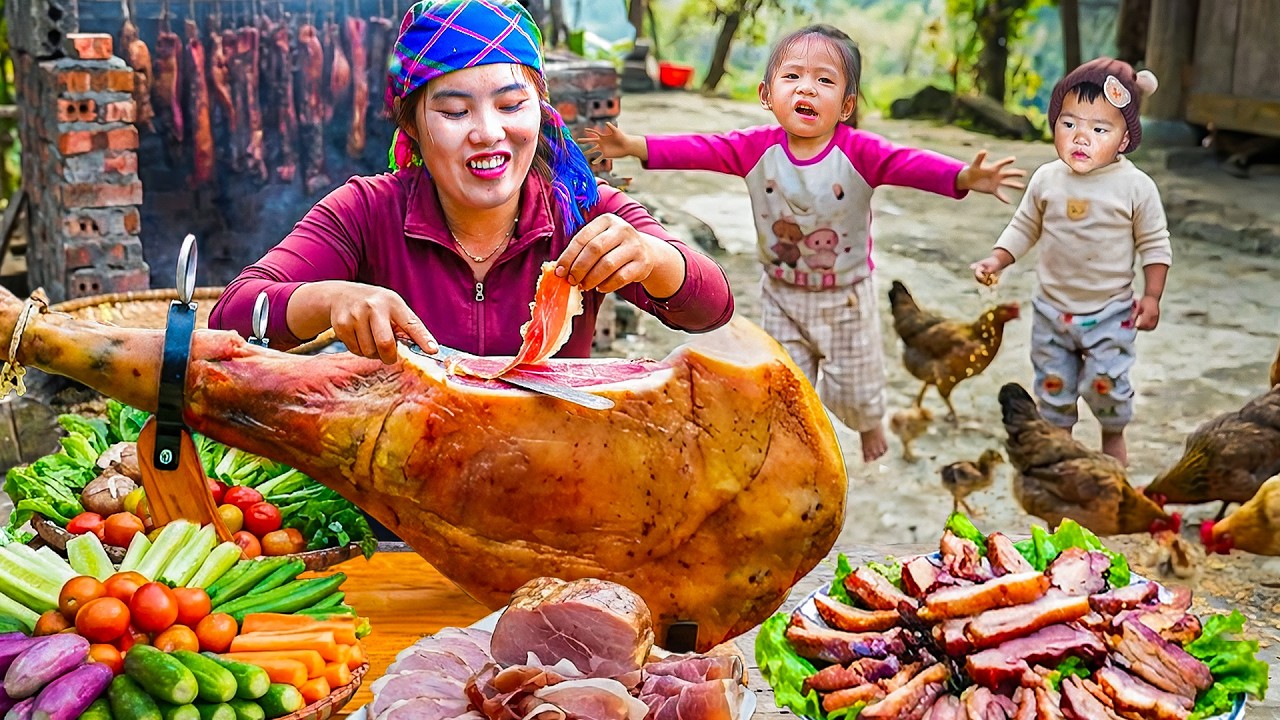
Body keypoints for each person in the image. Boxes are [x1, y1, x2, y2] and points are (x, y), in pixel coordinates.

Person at [585, 25, 1024, 462]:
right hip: (781, 294)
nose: (807, 89)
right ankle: (791, 444)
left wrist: (963, 176)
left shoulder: (859, 152)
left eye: (825, 80)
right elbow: (701, 147)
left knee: (855, 385)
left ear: (846, 105)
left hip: (846, 298)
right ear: (766, 93)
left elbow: (908, 163)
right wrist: (633, 145)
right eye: (792, 76)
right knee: (783, 381)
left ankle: (869, 423)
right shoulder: (754, 148)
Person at [210, 0, 733, 365]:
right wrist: (330, 300)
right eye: (456, 111)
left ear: (541, 112)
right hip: (402, 489)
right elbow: (232, 315)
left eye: (511, 106)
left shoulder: (585, 210)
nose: (488, 133)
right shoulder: (366, 211)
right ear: (412, 126)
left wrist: (656, 259)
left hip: (549, 479)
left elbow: (712, 308)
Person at [970, 57, 1169, 464]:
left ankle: (1113, 437)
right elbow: (1025, 226)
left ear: (1126, 138)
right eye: (1069, 123)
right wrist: (997, 258)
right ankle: (1061, 445)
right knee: (1053, 387)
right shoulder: (1047, 179)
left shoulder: (1136, 187)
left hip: (1110, 313)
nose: (1081, 137)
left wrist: (1152, 296)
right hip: (1052, 313)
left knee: (1107, 384)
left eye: (1099, 129)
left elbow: (1154, 245)